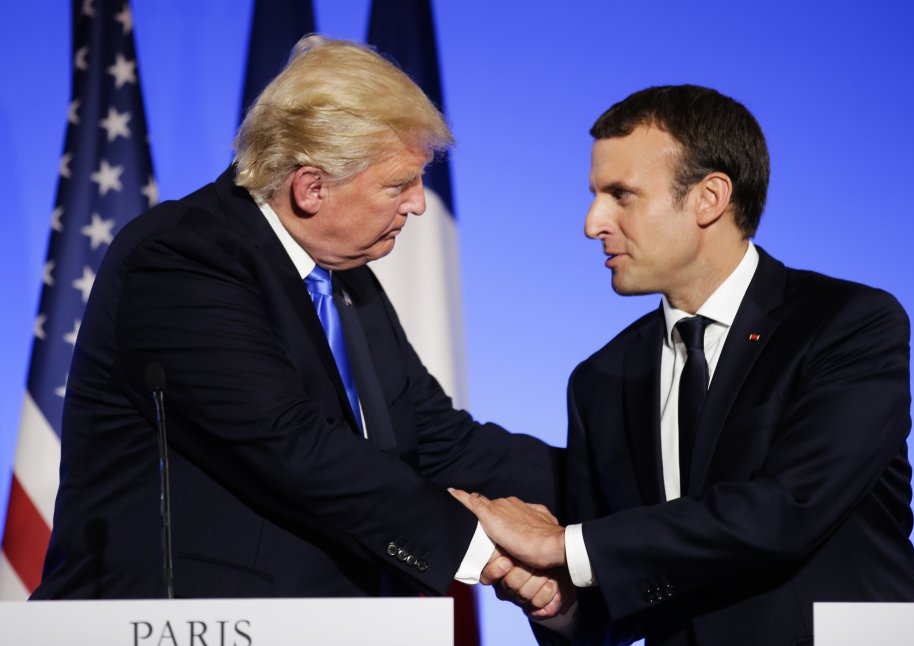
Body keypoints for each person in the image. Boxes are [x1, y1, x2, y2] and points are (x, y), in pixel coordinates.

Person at [32, 36, 563, 613]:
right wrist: (485, 547)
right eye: (398, 184)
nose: (417, 205)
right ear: (311, 187)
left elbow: (437, 439)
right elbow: (288, 442)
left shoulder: (347, 278)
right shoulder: (183, 256)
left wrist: (622, 487)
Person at [453, 84, 914, 645]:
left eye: (621, 195)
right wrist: (558, 601)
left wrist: (562, 545)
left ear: (709, 198)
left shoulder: (848, 324)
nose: (592, 222)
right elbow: (623, 588)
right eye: (594, 195)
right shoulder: (602, 379)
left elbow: (787, 510)